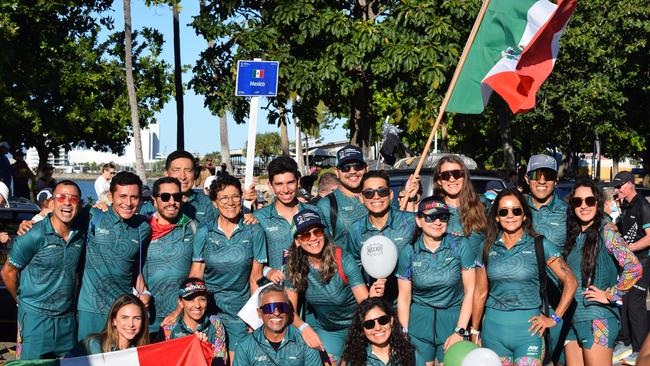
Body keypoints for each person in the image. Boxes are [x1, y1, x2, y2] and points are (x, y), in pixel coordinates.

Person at [472, 188, 578, 365]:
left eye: (516, 210)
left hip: (529, 332)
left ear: (525, 215)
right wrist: (474, 331)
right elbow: (480, 293)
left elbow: (571, 281)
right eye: (504, 211)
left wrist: (555, 318)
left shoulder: (540, 244)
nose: (510, 215)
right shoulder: (486, 247)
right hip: (493, 331)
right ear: (497, 217)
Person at [285, 209, 384, 363]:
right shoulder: (294, 265)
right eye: (305, 235)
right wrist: (304, 328)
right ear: (297, 241)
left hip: (356, 326)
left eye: (317, 232)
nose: (313, 238)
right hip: (327, 328)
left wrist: (372, 298)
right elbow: (289, 310)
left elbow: (365, 305)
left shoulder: (343, 259)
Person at [1, 180, 85, 359]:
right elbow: (8, 273)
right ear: (52, 202)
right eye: (61, 197)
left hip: (67, 320)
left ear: (80, 204)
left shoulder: (80, 235)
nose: (67, 202)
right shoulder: (33, 234)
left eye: (74, 198)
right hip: (35, 319)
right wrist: (21, 301)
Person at [563, 179, 642, 366]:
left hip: (599, 320)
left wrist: (610, 295)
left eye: (589, 201)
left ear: (597, 203)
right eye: (578, 201)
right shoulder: (573, 235)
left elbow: (634, 267)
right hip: (573, 320)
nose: (583, 206)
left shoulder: (606, 231)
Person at [191, 174, 267, 362]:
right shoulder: (204, 232)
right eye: (224, 198)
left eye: (235, 196)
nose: (230, 202)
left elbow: (255, 279)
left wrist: (255, 318)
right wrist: (184, 311)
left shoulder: (254, 230)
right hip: (207, 312)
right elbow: (196, 276)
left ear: (242, 198)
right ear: (215, 203)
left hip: (239, 314)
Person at [396, 198, 475, 365]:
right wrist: (403, 332)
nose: (437, 222)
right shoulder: (409, 252)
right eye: (430, 217)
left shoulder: (460, 245)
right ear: (418, 220)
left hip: (452, 320)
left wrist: (460, 331)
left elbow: (470, 292)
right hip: (419, 323)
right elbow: (404, 297)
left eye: (443, 217)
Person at [76, 171, 152, 341]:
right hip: (90, 308)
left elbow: (136, 269)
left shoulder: (143, 228)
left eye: (134, 197)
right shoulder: (93, 215)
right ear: (111, 196)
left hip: (122, 311)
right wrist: (27, 224)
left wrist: (145, 291)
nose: (128, 203)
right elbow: (60, 222)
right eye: (122, 196)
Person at [523, 154, 570, 363]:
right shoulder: (514, 208)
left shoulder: (568, 211)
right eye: (536, 175)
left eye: (548, 176)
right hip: (522, 302)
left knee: (555, 360)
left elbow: (597, 223)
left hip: (556, 302)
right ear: (527, 178)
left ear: (555, 181)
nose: (542, 181)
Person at [143, 177, 204, 332]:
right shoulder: (142, 228)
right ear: (154, 201)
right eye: (165, 197)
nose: (171, 202)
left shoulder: (193, 227)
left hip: (180, 316)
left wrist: (179, 310)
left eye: (176, 197)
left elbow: (198, 272)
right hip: (145, 317)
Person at [347, 170, 416, 304]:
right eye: (369, 193)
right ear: (361, 198)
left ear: (390, 194)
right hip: (376, 302)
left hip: (410, 302)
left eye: (382, 191)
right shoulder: (355, 230)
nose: (376, 196)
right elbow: (354, 270)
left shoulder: (411, 222)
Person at [254, 157, 326, 283]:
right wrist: (267, 271)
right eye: (279, 184)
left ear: (298, 182)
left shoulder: (315, 212)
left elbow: (328, 249)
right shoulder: (259, 217)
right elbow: (251, 262)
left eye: (290, 182)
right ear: (270, 185)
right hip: (279, 291)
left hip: (314, 288)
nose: (286, 190)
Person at [611, 170, 650, 365]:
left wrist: (630, 248)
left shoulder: (643, 205)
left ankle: (641, 348)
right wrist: (614, 227)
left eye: (619, 186)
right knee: (623, 302)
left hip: (642, 263)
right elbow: (627, 229)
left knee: (636, 305)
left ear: (629, 185)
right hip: (627, 264)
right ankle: (625, 343)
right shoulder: (625, 206)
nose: (616, 189)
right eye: (615, 186)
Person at [234, 284, 322, 365]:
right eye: (269, 308)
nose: (276, 313)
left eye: (282, 307)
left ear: (288, 310)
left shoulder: (306, 342)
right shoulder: (245, 346)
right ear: (259, 313)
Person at [158, 278, 227, 366]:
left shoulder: (215, 323)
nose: (197, 305)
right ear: (180, 302)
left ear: (207, 301)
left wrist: (206, 351)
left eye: (202, 299)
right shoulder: (168, 328)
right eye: (190, 299)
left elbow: (221, 361)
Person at [140, 150, 217, 225]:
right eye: (177, 170)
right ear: (166, 173)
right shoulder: (150, 207)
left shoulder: (208, 204)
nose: (183, 177)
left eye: (188, 170)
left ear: (195, 174)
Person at [431, 155, 486, 255]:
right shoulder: (433, 208)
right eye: (445, 175)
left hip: (478, 268)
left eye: (456, 174)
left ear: (464, 177)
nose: (452, 179)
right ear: (439, 181)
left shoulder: (482, 203)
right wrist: (409, 199)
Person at [316, 144, 369, 246]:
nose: (352, 171)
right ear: (337, 172)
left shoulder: (379, 196)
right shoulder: (326, 205)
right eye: (345, 168)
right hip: (344, 261)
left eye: (358, 166)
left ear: (366, 168)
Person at [341, 297, 418, 366]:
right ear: (362, 330)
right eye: (369, 324)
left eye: (382, 320)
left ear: (391, 321)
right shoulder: (354, 361)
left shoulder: (411, 355)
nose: (378, 328)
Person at [71, 295, 150, 356]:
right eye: (124, 317)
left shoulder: (143, 352)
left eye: (137, 318)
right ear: (113, 321)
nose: (131, 324)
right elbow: (64, 362)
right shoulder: (93, 344)